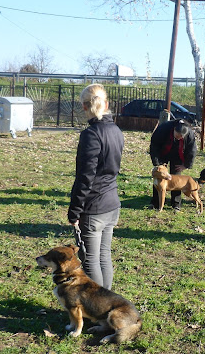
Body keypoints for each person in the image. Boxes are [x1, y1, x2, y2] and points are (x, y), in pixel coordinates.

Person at [68, 84, 125, 289]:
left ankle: (99, 310)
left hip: (94, 208)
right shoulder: (116, 130)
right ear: (107, 104)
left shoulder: (91, 134)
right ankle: (106, 303)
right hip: (112, 203)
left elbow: (85, 178)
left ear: (84, 107)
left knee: (91, 260)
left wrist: (74, 211)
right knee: (103, 256)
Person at [149, 119, 197, 211]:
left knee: (177, 179)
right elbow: (154, 145)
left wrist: (186, 165)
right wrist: (158, 163)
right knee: (159, 177)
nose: (179, 138)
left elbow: (192, 150)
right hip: (163, 153)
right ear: (174, 129)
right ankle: (155, 202)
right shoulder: (163, 128)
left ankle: (176, 203)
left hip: (179, 155)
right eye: (177, 136)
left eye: (181, 137)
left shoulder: (189, 134)